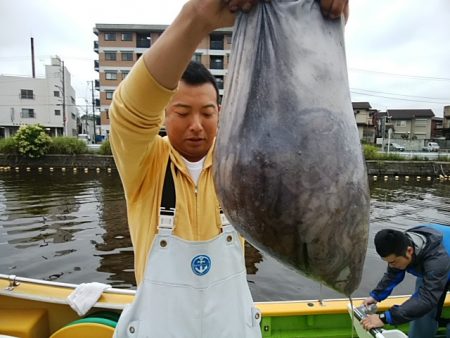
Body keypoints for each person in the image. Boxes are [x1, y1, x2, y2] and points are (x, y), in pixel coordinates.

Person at [109, 0, 349, 336]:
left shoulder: (242, 165)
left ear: (220, 113)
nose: (196, 125)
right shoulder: (144, 163)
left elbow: (299, 133)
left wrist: (313, 20)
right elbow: (128, 111)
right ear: (164, 115)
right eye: (182, 113)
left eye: (207, 113)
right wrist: (198, 17)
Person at [361, 224, 450, 338]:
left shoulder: (437, 260)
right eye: (388, 262)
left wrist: (384, 318)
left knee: (425, 301)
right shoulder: (400, 244)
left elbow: (426, 299)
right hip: (433, 272)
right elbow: (393, 274)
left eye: (393, 262)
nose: (391, 266)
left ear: (409, 251)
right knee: (422, 314)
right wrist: (375, 296)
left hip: (442, 263)